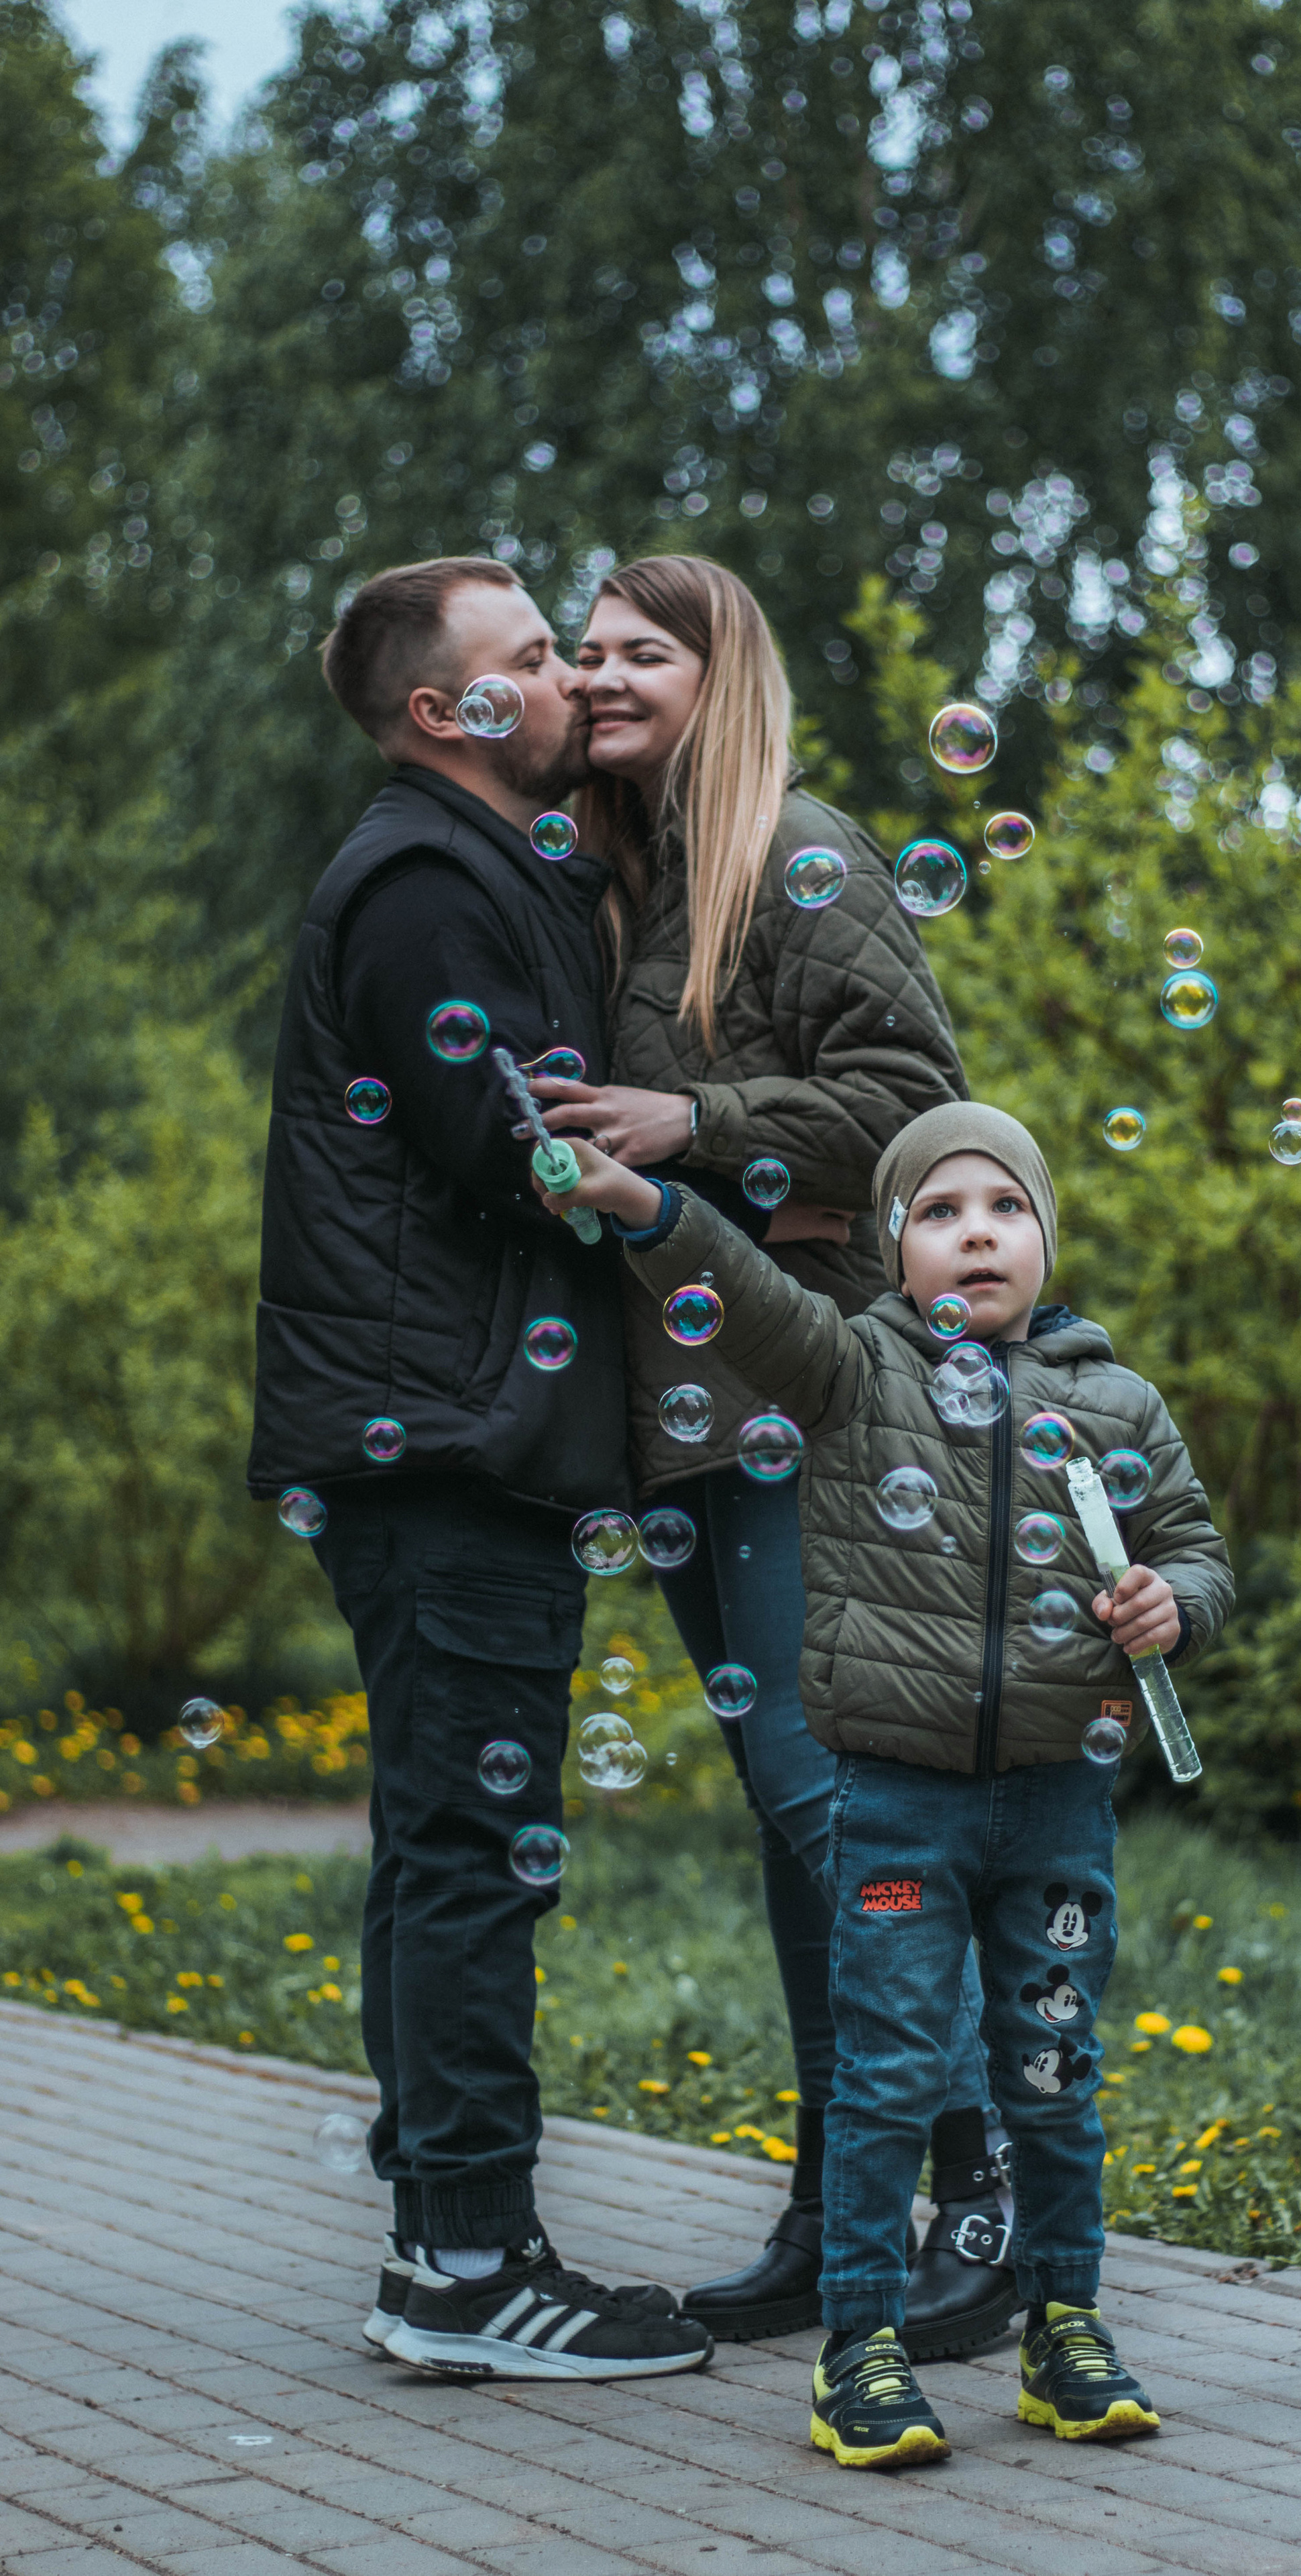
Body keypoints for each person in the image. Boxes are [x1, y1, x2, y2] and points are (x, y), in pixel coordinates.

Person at [536, 1099, 1234, 2465]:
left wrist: (1175, 1604)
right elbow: (737, 1294)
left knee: (1048, 2069)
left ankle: (1063, 2327)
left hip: (1054, 1800)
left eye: (1004, 1209)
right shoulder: (854, 1370)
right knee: (889, 2075)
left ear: (1044, 1235)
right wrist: (640, 1204)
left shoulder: (1115, 1402)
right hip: (897, 1795)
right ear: (892, 1251)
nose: (976, 1233)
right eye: (938, 1212)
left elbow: (1195, 1548)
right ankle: (856, 2349)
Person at [532, 555, 1015, 2357]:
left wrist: (698, 1116)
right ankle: (837, 2205)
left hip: (797, 1383)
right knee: (787, 1821)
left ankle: (983, 2190)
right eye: (584, 650)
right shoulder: (621, 877)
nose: (597, 674)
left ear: (720, 674)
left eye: (639, 649)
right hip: (674, 1402)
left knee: (834, 1807)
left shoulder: (792, 849)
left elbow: (921, 1108)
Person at [246, 555, 713, 2382]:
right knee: (472, 1852)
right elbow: (504, 1145)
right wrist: (700, 1178)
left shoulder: (482, 867)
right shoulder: (427, 879)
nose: (575, 679)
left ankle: (448, 2222)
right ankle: (460, 2267)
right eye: (533, 659)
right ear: (446, 712)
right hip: (444, 1440)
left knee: (445, 1840)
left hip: (433, 1435)